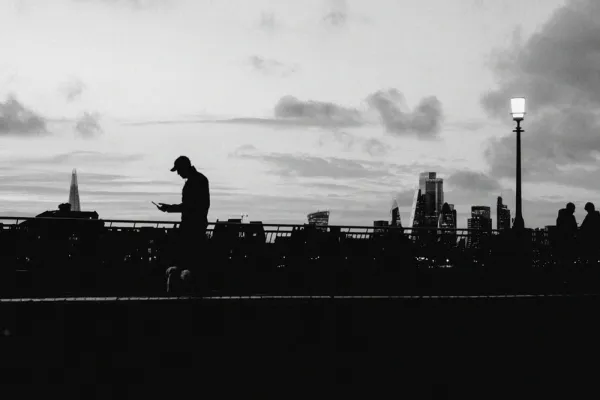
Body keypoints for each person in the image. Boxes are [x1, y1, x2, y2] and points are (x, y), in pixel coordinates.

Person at [157, 156, 210, 294]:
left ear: (184, 168)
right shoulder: (199, 180)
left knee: (188, 258)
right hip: (196, 225)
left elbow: (189, 206)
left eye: (178, 170)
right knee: (193, 260)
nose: (178, 173)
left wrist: (169, 208)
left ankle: (188, 288)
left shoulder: (194, 182)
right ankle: (193, 288)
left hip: (191, 227)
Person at [556, 202, 577, 268]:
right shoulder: (571, 217)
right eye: (573, 209)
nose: (574, 211)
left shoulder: (560, 217)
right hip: (568, 240)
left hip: (561, 240)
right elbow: (574, 228)